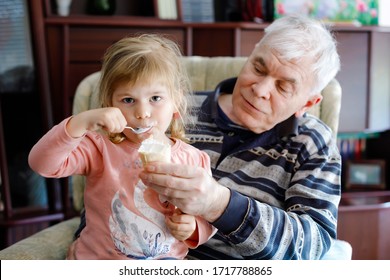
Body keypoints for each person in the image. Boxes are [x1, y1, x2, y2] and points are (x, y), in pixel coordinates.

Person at [139, 14, 342, 260]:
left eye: (283, 87)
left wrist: (219, 205)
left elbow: (313, 247)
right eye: (258, 67)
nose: (260, 89)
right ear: (251, 55)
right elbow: (114, 174)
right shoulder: (174, 110)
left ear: (308, 103)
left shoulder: (313, 144)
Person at [28, 34, 216, 260]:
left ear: (176, 100)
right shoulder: (98, 148)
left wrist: (194, 228)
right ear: (109, 105)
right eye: (128, 100)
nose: (143, 112)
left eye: (155, 98)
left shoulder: (194, 160)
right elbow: (42, 164)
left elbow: (208, 216)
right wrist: (80, 122)